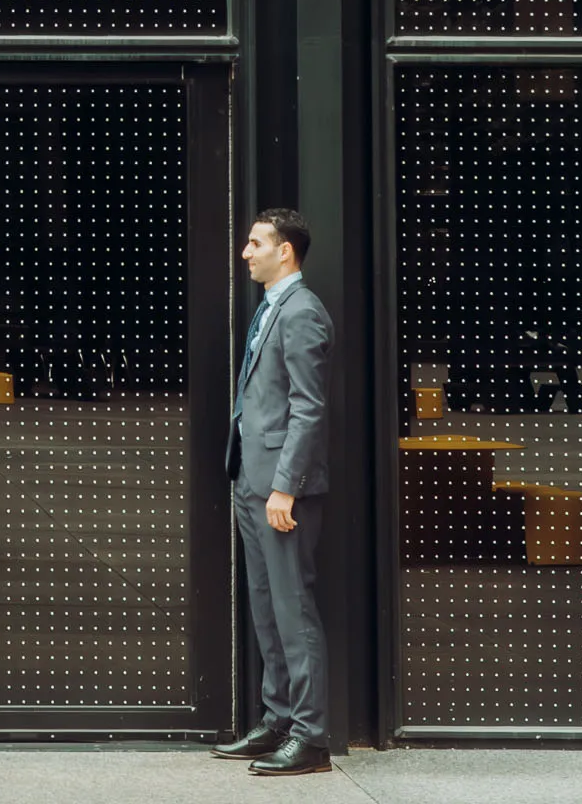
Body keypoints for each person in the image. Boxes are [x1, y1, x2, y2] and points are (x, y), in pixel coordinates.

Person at [212, 209, 334, 777]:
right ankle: (278, 719)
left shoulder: (303, 312)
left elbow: (308, 409)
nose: (246, 253)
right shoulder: (271, 307)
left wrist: (285, 488)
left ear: (285, 251)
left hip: (280, 491)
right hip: (251, 481)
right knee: (266, 608)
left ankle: (311, 736)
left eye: (256, 243)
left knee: (293, 609)